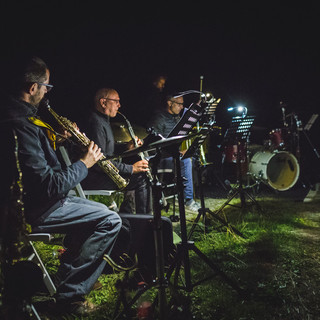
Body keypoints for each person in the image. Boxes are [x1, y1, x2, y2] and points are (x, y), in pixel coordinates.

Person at [0, 56, 122, 315]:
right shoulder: (19, 124)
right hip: (33, 209)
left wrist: (58, 142)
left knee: (94, 217)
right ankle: (71, 296)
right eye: (46, 87)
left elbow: (38, 168)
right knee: (111, 221)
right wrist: (85, 162)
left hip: (41, 201)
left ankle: (70, 278)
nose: (47, 92)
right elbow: (47, 185)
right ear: (33, 87)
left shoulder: (20, 116)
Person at [80, 87, 151, 214]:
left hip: (102, 173)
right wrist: (131, 169)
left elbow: (106, 149)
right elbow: (100, 161)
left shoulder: (102, 120)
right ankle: (143, 222)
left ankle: (130, 217)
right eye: (116, 101)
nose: (119, 105)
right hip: (94, 177)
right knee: (140, 177)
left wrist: (127, 147)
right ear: (103, 102)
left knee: (141, 175)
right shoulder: (95, 124)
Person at [147, 93, 201, 212]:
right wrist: (175, 153)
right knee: (186, 161)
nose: (181, 107)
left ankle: (181, 194)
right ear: (169, 103)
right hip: (159, 159)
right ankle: (188, 200)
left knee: (191, 157)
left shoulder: (176, 118)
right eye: (179, 104)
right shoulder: (159, 119)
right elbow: (153, 145)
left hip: (171, 155)